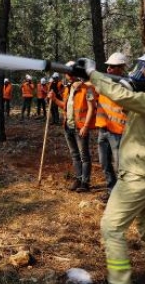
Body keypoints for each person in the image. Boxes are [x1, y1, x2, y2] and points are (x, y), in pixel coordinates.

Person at [72, 41, 145, 284]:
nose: (140, 73)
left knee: (111, 228)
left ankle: (119, 280)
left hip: (140, 177)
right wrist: (87, 74)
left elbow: (121, 95)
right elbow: (121, 87)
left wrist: (91, 72)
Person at [48, 61, 96, 192]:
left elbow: (92, 108)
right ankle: (78, 178)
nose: (68, 74)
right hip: (68, 127)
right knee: (75, 155)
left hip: (80, 127)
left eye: (71, 71)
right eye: (67, 72)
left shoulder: (87, 87)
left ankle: (85, 183)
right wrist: (53, 99)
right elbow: (65, 106)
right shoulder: (67, 89)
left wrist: (86, 126)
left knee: (84, 156)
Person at [95, 52, 128, 203]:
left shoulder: (127, 86)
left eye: (112, 67)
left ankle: (123, 196)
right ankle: (111, 190)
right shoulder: (104, 83)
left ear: (121, 68)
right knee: (104, 163)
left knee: (119, 166)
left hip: (118, 132)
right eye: (108, 66)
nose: (108, 69)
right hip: (103, 129)